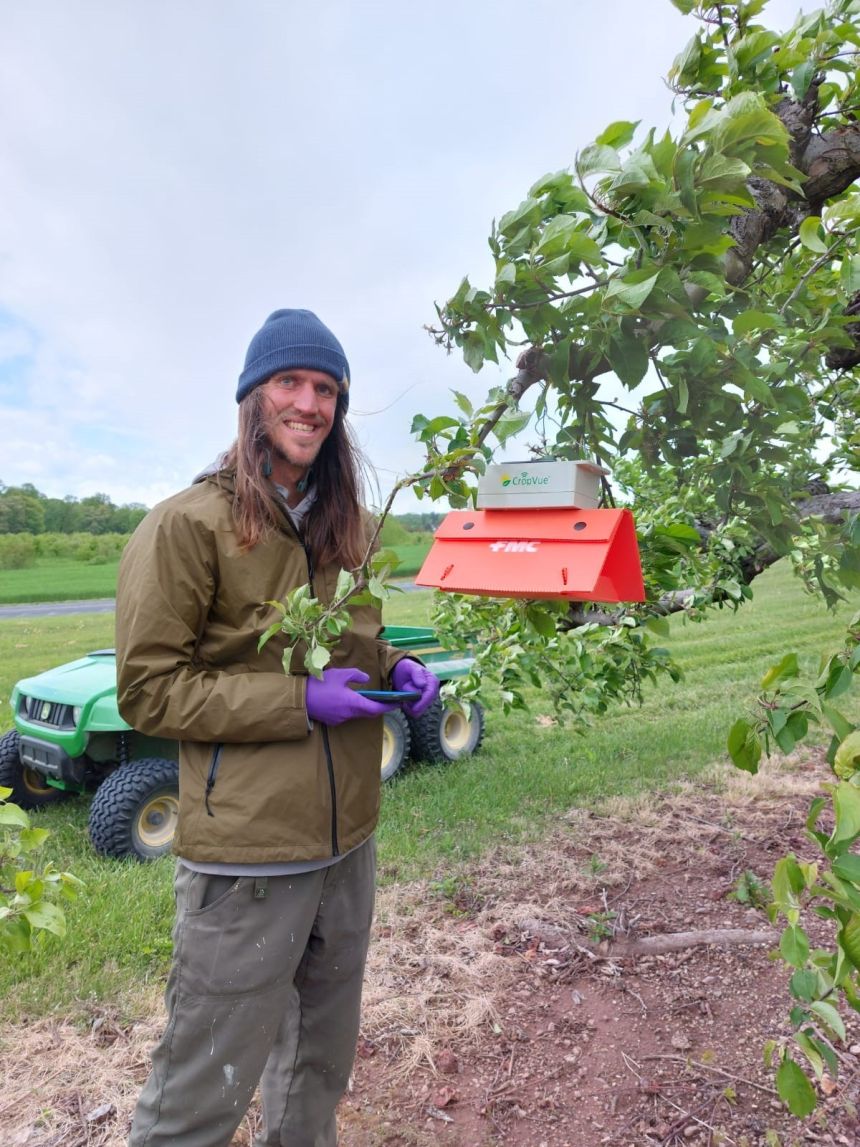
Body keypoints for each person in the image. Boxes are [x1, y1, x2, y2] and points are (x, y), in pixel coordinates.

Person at [115, 308, 439, 1147]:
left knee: (316, 1073)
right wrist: (297, 703)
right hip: (248, 859)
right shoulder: (186, 525)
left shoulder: (346, 527)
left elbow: (352, 640)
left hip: (347, 844)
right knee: (201, 1089)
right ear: (253, 397)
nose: (310, 402)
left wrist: (390, 667)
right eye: (291, 383)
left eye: (326, 388)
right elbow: (150, 691)